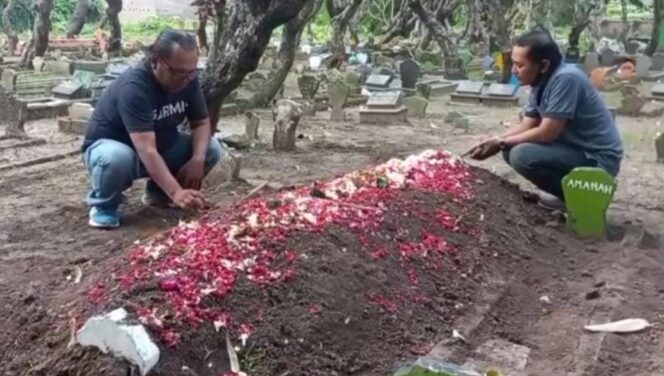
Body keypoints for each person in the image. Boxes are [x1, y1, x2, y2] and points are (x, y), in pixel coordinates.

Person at [81, 29, 224, 229]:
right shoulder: (134, 87)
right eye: (179, 72)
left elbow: (201, 123)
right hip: (116, 150)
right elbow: (146, 148)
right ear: (156, 61)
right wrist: (176, 192)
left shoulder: (188, 80)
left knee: (211, 148)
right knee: (116, 157)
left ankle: (158, 194)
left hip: (160, 146)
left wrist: (197, 160)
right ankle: (104, 206)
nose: (186, 78)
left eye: (192, 72)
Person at [467, 29, 623, 210]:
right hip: (575, 149)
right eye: (513, 64)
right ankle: (568, 196)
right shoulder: (541, 81)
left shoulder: (566, 79)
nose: (514, 70)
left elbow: (547, 133)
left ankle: (582, 199)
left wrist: (501, 142)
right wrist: (495, 139)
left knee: (521, 155)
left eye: (520, 65)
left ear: (543, 65)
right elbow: (528, 123)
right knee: (510, 149)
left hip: (597, 158)